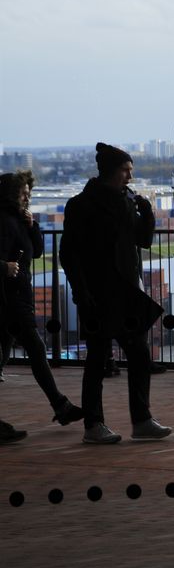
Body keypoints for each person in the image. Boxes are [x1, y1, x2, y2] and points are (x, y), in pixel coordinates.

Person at [59, 143, 172, 443]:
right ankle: (99, 424)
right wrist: (82, 295)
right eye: (126, 171)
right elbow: (69, 256)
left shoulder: (123, 202)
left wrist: (146, 211)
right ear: (112, 172)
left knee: (134, 353)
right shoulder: (82, 205)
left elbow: (143, 240)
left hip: (123, 293)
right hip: (98, 294)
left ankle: (137, 420)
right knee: (99, 357)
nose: (130, 177)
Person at [0, 170, 83, 429]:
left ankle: (61, 406)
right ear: (11, 194)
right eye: (23, 193)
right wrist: (3, 266)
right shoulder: (3, 221)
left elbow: (35, 252)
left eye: (28, 192)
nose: (27, 197)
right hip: (9, 298)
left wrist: (33, 224)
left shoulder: (18, 219)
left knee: (4, 353)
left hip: (17, 297)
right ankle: (60, 405)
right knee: (36, 350)